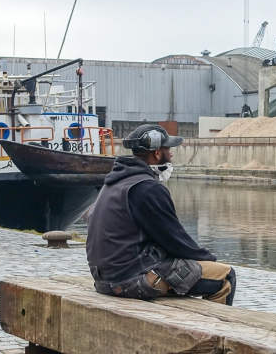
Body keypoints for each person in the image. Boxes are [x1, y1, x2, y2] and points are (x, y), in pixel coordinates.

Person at [86, 124, 236, 305]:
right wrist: (209, 261)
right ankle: (216, 331)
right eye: (168, 149)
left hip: (105, 280)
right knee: (226, 276)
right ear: (157, 154)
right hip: (130, 280)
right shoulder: (148, 188)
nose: (171, 154)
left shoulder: (113, 183)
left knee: (187, 274)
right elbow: (176, 241)